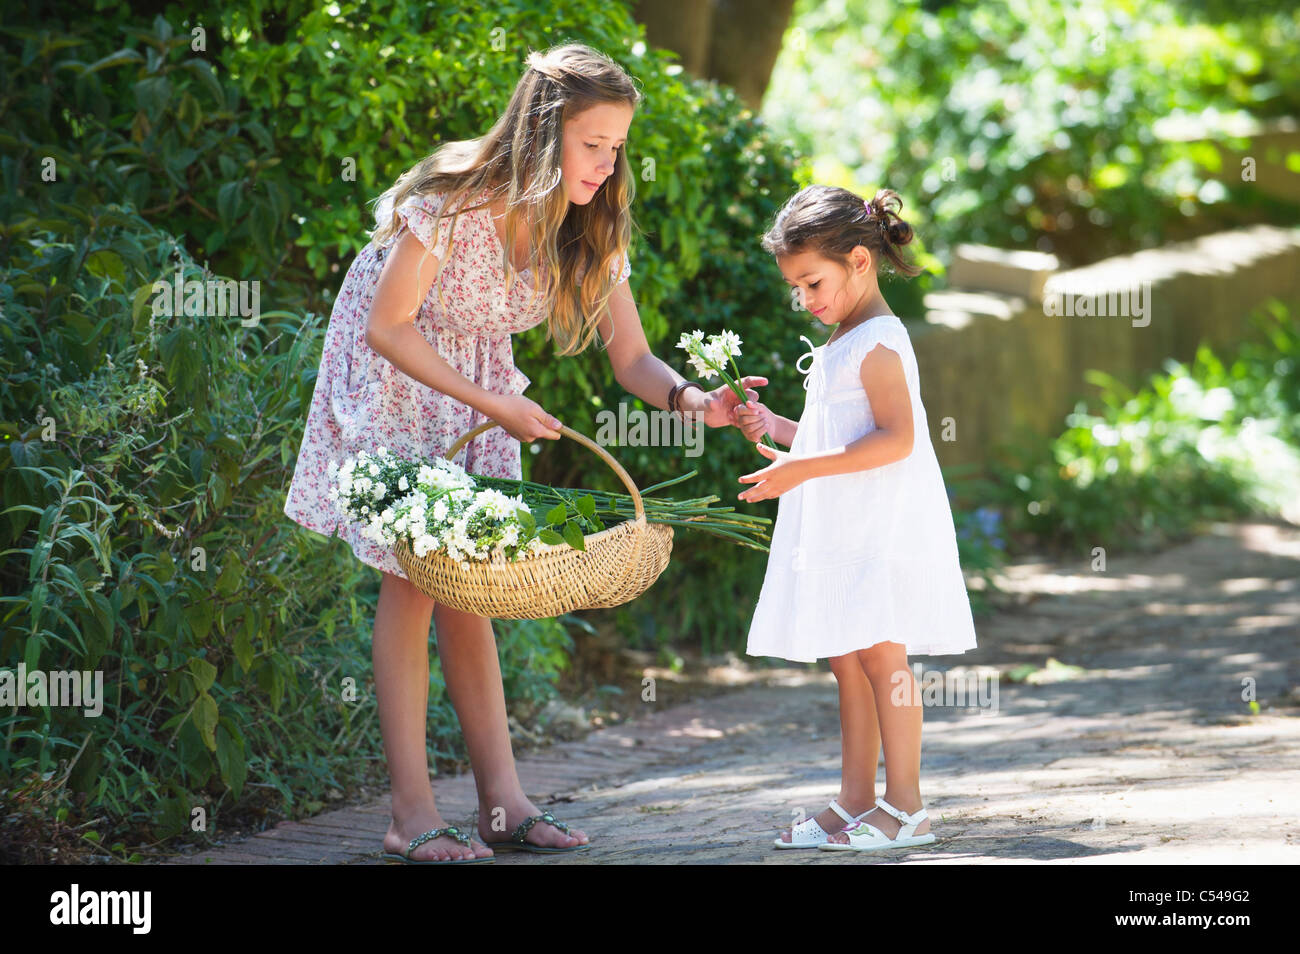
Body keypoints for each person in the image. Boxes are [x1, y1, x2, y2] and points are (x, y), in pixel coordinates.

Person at [283, 43, 764, 864]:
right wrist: (495, 404)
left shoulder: (589, 224)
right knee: (415, 577)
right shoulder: (459, 202)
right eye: (592, 145)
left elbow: (633, 360)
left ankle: (502, 806)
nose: (607, 166)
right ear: (545, 133)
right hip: (400, 366)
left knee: (473, 580)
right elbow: (386, 326)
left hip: (476, 382)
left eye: (617, 148)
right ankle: (409, 814)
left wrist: (695, 402)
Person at [734, 185, 977, 852]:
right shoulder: (845, 336)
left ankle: (908, 808)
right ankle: (855, 801)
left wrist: (798, 470)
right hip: (841, 523)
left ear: (860, 262)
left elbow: (896, 439)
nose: (806, 299)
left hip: (877, 524)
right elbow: (831, 431)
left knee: (882, 657)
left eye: (813, 282)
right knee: (847, 658)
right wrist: (775, 427)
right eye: (797, 288)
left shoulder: (879, 342)